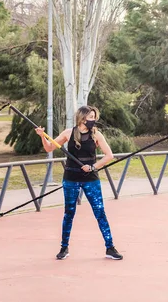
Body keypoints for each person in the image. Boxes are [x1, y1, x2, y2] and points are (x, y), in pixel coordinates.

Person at [35, 105, 123, 260]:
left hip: (90, 179)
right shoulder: (68, 133)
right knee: (69, 213)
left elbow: (109, 155)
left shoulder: (96, 135)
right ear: (82, 118)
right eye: (91, 117)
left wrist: (93, 167)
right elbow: (49, 148)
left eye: (95, 117)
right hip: (71, 178)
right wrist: (42, 135)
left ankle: (110, 247)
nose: (93, 120)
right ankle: (64, 248)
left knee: (99, 212)